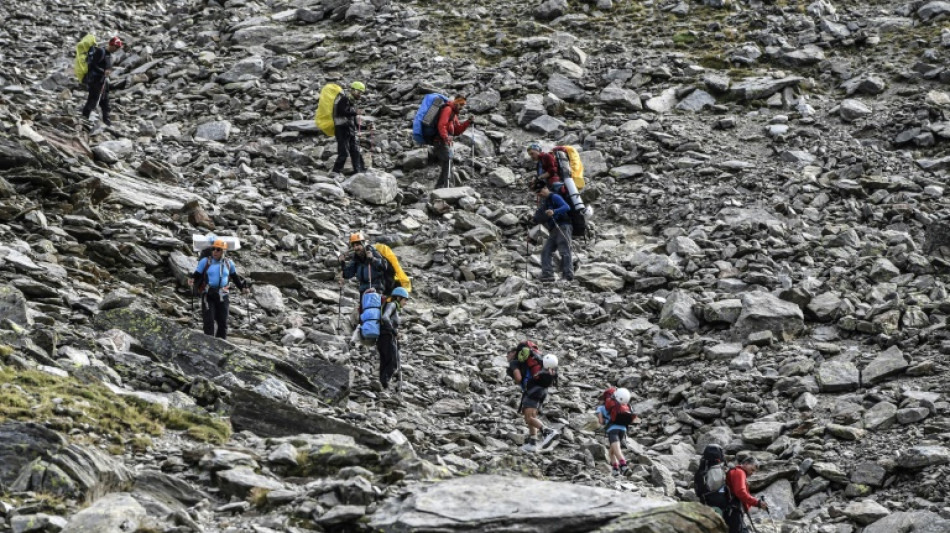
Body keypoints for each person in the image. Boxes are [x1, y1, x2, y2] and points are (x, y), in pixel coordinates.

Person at [189, 240, 249, 339]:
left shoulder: (229, 263)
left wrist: (242, 288)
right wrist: (191, 279)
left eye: (218, 250)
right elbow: (197, 274)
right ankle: (209, 343)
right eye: (213, 249)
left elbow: (234, 277)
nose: (215, 252)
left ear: (223, 252)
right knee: (209, 320)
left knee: (223, 322)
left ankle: (222, 345)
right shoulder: (205, 261)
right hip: (208, 295)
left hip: (223, 295)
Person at [505, 341, 559, 451]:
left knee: (529, 418)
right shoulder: (532, 360)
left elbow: (518, 378)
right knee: (530, 416)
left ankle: (548, 431)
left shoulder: (515, 363)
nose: (507, 356)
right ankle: (533, 443)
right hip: (541, 390)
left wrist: (515, 376)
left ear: (513, 352)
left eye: (508, 354)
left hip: (533, 390)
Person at [532, 181, 573, 282]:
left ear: (546, 188)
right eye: (537, 193)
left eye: (540, 191)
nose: (539, 194)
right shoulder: (545, 202)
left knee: (564, 250)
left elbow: (566, 207)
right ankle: (547, 274)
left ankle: (567, 275)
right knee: (546, 251)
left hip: (563, 226)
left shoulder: (555, 197)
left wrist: (554, 211)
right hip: (554, 228)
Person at [81, 36, 123, 129]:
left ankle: (106, 121)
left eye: (118, 48)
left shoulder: (109, 54)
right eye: (116, 47)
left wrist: (106, 72)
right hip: (95, 80)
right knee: (93, 99)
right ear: (111, 44)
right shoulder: (101, 51)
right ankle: (85, 118)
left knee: (105, 101)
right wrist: (103, 72)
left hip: (103, 81)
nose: (116, 50)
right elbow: (92, 65)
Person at [432, 95, 471, 189]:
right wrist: (445, 137)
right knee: (448, 160)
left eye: (463, 105)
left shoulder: (454, 114)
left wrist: (467, 122)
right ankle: (449, 188)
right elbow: (441, 125)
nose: (462, 107)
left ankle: (439, 187)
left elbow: (457, 130)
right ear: (456, 102)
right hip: (440, 141)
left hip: (446, 142)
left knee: (448, 162)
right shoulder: (448, 109)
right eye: (461, 104)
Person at [595, 387, 637, 477]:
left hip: (612, 430)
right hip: (623, 430)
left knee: (617, 450)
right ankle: (615, 470)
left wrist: (605, 420)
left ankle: (624, 466)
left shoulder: (601, 408)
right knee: (611, 452)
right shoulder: (623, 405)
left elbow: (601, 422)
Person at [724, 456, 769, 533]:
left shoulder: (735, 471)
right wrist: (757, 502)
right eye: (752, 470)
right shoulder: (739, 472)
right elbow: (740, 492)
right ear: (745, 463)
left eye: (754, 471)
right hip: (733, 509)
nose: (752, 473)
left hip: (730, 509)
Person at [377, 286, 409, 389]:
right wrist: (394, 332)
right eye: (405, 300)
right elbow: (385, 317)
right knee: (393, 362)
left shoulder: (390, 305)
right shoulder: (392, 305)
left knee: (385, 362)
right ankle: (384, 383)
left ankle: (381, 386)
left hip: (382, 338)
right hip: (387, 337)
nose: (406, 302)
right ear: (399, 298)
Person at [331, 81, 366, 176]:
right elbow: (341, 112)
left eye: (361, 93)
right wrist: (356, 113)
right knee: (344, 153)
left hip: (350, 130)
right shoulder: (344, 99)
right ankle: (335, 172)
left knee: (355, 151)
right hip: (341, 129)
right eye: (359, 92)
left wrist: (366, 127)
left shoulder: (352, 102)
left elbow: (353, 121)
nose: (360, 95)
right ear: (353, 90)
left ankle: (359, 172)